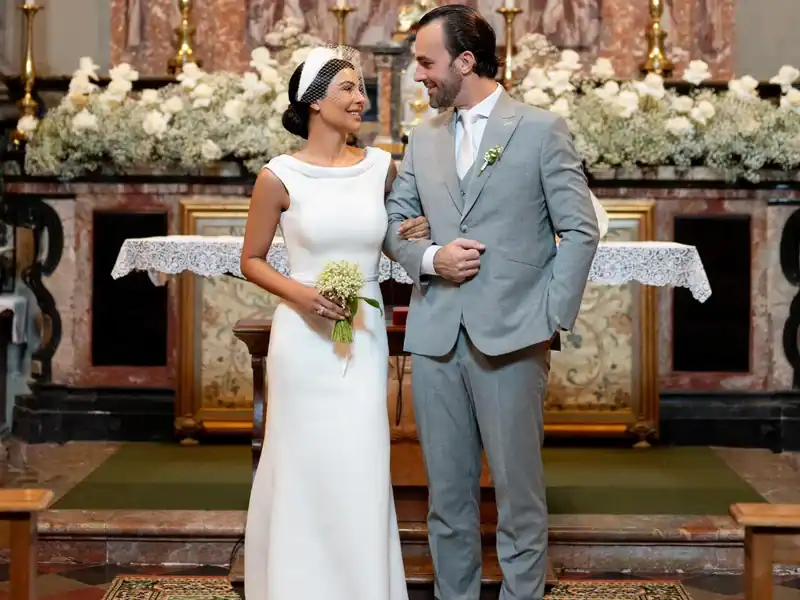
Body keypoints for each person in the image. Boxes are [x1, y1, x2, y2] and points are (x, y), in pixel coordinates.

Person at [382, 5, 601, 600]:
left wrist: (548, 317)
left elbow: (580, 230)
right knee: (447, 500)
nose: (418, 74)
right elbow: (395, 223)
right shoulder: (423, 138)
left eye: (425, 62)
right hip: (435, 338)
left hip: (513, 337)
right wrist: (431, 258)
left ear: (465, 61)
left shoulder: (539, 129)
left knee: (517, 496)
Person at [239, 45, 427, 600]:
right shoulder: (278, 176)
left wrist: (416, 231)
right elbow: (251, 260)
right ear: (313, 100)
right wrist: (300, 294)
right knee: (302, 463)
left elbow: (391, 236)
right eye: (347, 87)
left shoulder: (381, 168)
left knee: (360, 461)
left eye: (361, 88)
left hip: (362, 340)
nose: (360, 98)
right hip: (302, 343)